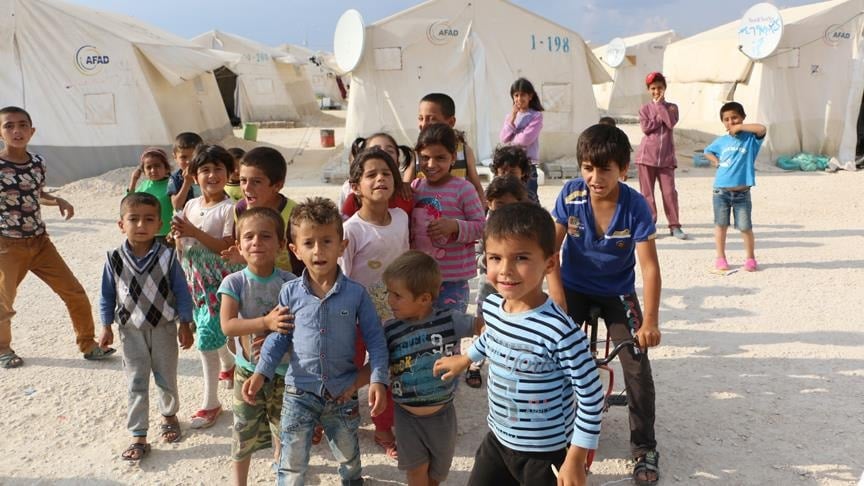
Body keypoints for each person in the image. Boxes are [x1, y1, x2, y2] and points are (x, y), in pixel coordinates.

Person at [434, 203, 604, 486]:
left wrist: (576, 457)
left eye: (521, 258)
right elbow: (492, 337)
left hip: (545, 453)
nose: (505, 270)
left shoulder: (560, 331)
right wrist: (466, 359)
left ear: (549, 264)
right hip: (498, 442)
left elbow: (591, 395)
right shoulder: (493, 307)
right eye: (495, 258)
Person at [241, 197, 389, 486]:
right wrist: (261, 371)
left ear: (342, 246)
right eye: (309, 243)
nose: (318, 250)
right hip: (299, 392)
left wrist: (378, 380)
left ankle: (352, 480)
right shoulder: (289, 292)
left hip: (342, 392)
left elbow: (376, 341)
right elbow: (279, 338)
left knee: (348, 455)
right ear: (295, 250)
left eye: (327, 241)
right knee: (292, 460)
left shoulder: (356, 294)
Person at [547, 124, 662, 486]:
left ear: (623, 169)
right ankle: (552, 435)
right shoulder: (571, 194)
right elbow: (550, 252)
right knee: (550, 352)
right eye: (587, 168)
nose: (595, 178)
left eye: (605, 169)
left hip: (617, 292)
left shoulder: (635, 205)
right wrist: (557, 299)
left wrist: (650, 322)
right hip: (573, 288)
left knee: (636, 364)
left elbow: (650, 268)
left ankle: (644, 447)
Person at [0, 105, 116, 368]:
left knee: (74, 292)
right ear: (0, 132)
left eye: (22, 125)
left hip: (40, 243)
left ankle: (88, 345)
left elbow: (36, 193)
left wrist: (58, 200)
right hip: (8, 245)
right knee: (3, 303)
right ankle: (3, 349)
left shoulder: (37, 162)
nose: (17, 131)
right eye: (9, 126)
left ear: (32, 131)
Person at [98, 192, 194, 462]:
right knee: (136, 380)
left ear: (159, 224)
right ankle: (138, 434)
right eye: (134, 219)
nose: (141, 225)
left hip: (164, 328)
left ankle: (169, 415)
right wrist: (105, 326)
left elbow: (181, 291)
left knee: (166, 375)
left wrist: (185, 323)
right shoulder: (114, 258)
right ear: (121, 224)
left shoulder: (168, 256)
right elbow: (107, 295)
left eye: (149, 219)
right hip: (130, 332)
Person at [379, 250, 480, 485]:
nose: (389, 300)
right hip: (406, 417)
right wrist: (355, 382)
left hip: (442, 416)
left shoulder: (449, 320)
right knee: (416, 471)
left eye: (397, 295)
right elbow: (378, 363)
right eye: (388, 293)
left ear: (424, 298)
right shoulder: (390, 329)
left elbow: (485, 328)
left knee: (437, 474)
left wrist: (467, 358)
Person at [339, 147, 410, 459]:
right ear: (356, 187)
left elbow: (405, 259)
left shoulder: (402, 218)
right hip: (356, 316)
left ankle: (383, 427)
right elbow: (342, 276)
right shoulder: (351, 230)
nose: (380, 178)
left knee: (387, 370)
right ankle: (339, 417)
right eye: (371, 174)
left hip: (393, 314)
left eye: (386, 173)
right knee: (349, 368)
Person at [218, 207, 297, 486]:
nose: (256, 242)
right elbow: (228, 326)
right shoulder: (234, 282)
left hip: (285, 373)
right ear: (239, 246)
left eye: (265, 236)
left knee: (284, 428)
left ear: (280, 244)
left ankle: (281, 470)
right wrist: (265, 322)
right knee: (243, 430)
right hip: (247, 371)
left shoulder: (290, 283)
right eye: (249, 237)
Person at [172, 144, 241, 429]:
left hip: (218, 282)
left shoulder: (229, 208)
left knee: (205, 338)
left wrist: (192, 232)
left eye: (218, 169)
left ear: (229, 173)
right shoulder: (191, 205)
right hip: (195, 281)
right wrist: (178, 237)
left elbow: (225, 246)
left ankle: (210, 402)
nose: (211, 175)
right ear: (194, 175)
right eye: (205, 170)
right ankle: (229, 364)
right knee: (209, 330)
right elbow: (184, 241)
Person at [410, 123, 485, 313]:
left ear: (453, 158)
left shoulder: (464, 189)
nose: (431, 164)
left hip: (453, 282)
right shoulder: (416, 187)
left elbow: (481, 227)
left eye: (440, 158)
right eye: (425, 157)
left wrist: (455, 226)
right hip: (419, 278)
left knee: (450, 328)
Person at [465, 174, 530, 389]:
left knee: (516, 323)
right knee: (484, 323)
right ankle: (475, 363)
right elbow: (475, 252)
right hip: (489, 286)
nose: (504, 210)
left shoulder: (526, 228)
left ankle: (511, 363)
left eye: (510, 205)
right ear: (489, 203)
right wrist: (488, 260)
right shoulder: (485, 226)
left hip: (517, 287)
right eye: (499, 204)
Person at [703, 101, 767, 272]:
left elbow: (762, 129)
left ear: (743, 117)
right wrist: (716, 161)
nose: (731, 122)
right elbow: (707, 151)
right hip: (720, 192)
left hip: (742, 193)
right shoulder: (722, 141)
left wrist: (741, 127)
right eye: (726, 119)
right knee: (721, 225)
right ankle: (720, 257)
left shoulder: (751, 140)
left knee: (745, 227)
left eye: (735, 118)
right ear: (722, 122)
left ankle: (750, 258)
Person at [226, 147, 300, 274]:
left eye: (256, 182)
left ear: (277, 185)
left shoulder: (295, 215)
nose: (247, 188)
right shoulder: (240, 209)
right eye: (243, 180)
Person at [408, 93, 485, 205]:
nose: (424, 124)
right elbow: (405, 188)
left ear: (451, 122)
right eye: (421, 118)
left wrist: (481, 209)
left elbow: (477, 188)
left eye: (432, 119)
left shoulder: (464, 151)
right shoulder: (416, 154)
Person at [635, 72, 687, 240]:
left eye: (659, 88)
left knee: (669, 192)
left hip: (666, 158)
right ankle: (650, 225)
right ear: (648, 90)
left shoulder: (672, 108)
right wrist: (658, 118)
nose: (656, 91)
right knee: (647, 194)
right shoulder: (644, 109)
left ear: (665, 88)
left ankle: (675, 225)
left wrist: (659, 108)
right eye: (653, 88)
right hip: (646, 157)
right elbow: (646, 128)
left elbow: (670, 123)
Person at [340, 133, 414, 219]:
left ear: (397, 163)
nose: (383, 154)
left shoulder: (406, 197)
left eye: (390, 151)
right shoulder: (353, 200)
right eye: (376, 150)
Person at [499, 77, 544, 202]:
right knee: (512, 197)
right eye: (516, 95)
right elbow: (504, 138)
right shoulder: (510, 117)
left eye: (523, 95)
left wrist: (511, 142)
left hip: (528, 164)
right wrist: (512, 117)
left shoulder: (536, 116)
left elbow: (525, 139)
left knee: (529, 197)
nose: (519, 99)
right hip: (512, 164)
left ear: (530, 96)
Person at [128, 147, 174, 245]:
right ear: (144, 171)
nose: (153, 170)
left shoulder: (172, 184)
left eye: (157, 166)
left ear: (166, 168)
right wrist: (133, 180)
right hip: (148, 235)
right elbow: (129, 204)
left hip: (169, 236)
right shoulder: (144, 186)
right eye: (149, 167)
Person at [167, 132, 203, 211]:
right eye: (183, 157)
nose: (189, 161)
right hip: (186, 217)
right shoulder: (175, 179)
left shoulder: (207, 174)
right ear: (175, 157)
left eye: (194, 157)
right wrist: (187, 182)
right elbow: (176, 205)